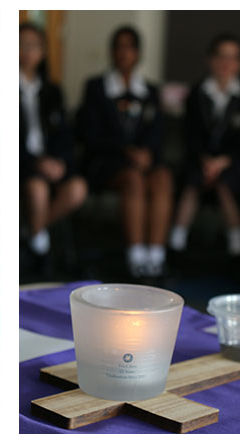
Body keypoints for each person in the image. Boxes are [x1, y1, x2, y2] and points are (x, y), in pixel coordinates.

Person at [77, 25, 170, 278]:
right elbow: (91, 135)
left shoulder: (150, 91)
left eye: (130, 47)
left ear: (138, 53)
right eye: (119, 46)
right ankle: (136, 258)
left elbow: (157, 132)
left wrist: (147, 153)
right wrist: (128, 152)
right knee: (133, 179)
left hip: (143, 164)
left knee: (162, 177)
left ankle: (156, 257)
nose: (124, 52)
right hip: (108, 164)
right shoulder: (96, 87)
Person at [169, 34, 240, 256]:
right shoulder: (196, 93)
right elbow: (190, 134)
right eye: (221, 56)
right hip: (201, 159)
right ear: (210, 60)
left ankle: (237, 247)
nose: (226, 63)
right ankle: (175, 244)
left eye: (233, 57)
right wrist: (206, 160)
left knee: (227, 182)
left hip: (233, 162)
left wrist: (223, 162)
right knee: (193, 178)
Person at [19, 22, 87, 259]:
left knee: (77, 188)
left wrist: (59, 162)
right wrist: (36, 163)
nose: (27, 51)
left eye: (33, 46)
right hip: (24, 164)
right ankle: (39, 252)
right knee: (37, 189)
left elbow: (64, 134)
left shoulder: (52, 91)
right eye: (22, 45)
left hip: (51, 162)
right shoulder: (4, 87)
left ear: (43, 51)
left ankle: (30, 234)